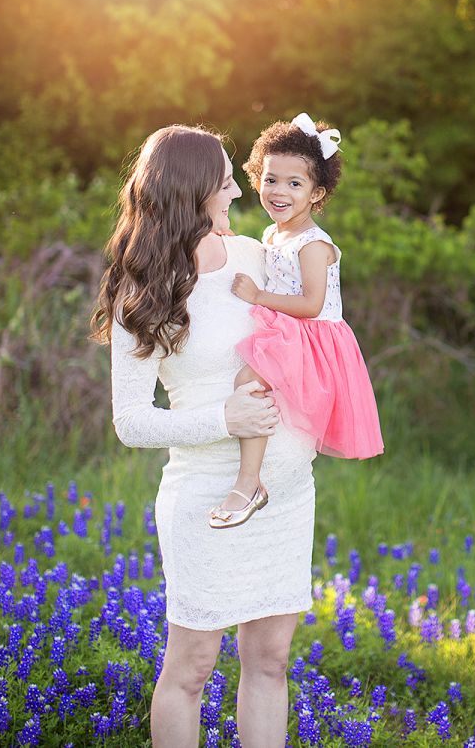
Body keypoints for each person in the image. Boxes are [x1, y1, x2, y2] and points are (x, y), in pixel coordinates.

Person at [92, 124, 317, 748]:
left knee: (271, 660)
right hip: (207, 497)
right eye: (224, 184)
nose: (236, 196)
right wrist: (226, 419)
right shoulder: (143, 289)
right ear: (193, 193)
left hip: (286, 494)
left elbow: (310, 331)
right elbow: (131, 422)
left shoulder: (252, 255)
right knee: (191, 667)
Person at [208, 112, 384, 529]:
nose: (279, 191)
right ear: (256, 179)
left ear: (316, 192)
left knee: (247, 381)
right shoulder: (274, 234)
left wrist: (258, 296)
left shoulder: (313, 244)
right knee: (249, 379)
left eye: (294, 183)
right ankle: (250, 476)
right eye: (270, 179)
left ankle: (249, 482)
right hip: (289, 330)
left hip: (312, 337)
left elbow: (310, 303)